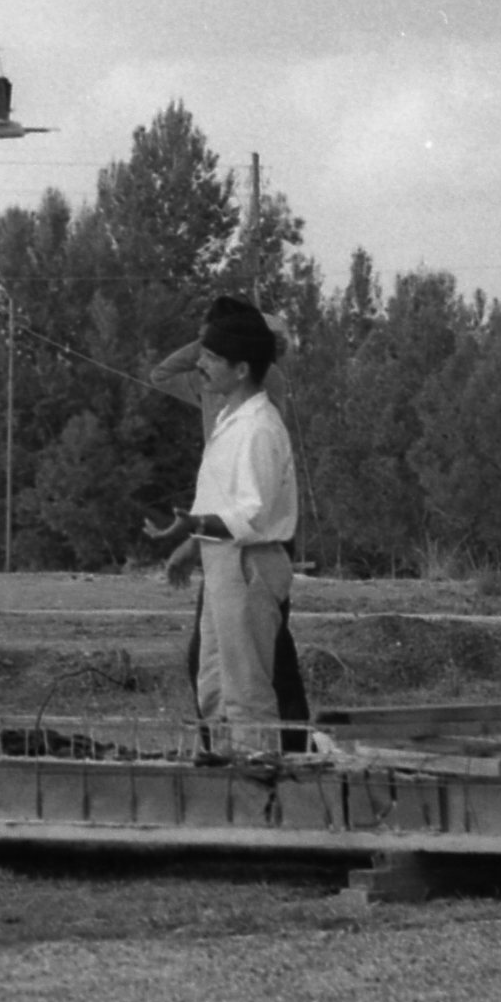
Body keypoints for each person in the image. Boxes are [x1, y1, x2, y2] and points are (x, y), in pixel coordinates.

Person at [180, 296, 300, 763]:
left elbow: (251, 514)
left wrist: (195, 524)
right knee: (214, 678)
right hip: (221, 559)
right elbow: (218, 497)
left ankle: (260, 780)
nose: (201, 365)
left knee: (246, 684)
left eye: (212, 358)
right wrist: (193, 541)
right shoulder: (231, 417)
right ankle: (224, 766)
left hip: (250, 561)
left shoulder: (260, 428)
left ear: (242, 368)